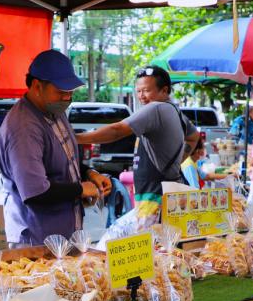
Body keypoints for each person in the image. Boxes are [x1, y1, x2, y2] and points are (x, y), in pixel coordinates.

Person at [0, 50, 112, 246]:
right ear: (37, 86)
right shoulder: (24, 128)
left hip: (63, 236)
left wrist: (89, 174)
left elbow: (63, 160)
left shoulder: (53, 110)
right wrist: (80, 190)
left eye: (70, 92)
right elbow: (35, 192)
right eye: (61, 92)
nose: (67, 98)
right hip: (35, 240)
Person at [76, 65, 198, 214]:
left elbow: (117, 130)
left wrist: (74, 138)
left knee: (152, 231)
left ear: (164, 90)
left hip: (154, 198)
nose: (141, 96)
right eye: (138, 91)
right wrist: (176, 161)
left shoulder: (155, 108)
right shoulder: (175, 110)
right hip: (167, 193)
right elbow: (193, 137)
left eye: (146, 90)